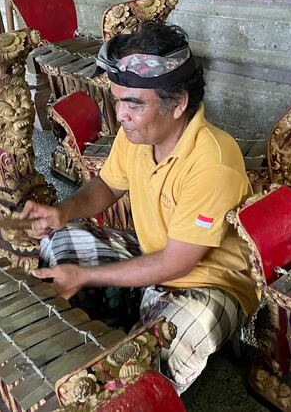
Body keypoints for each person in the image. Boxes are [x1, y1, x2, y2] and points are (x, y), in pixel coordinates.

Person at [22, 22, 259, 393]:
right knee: (59, 241)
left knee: (163, 348)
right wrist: (62, 213)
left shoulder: (213, 161)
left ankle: (135, 362)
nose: (120, 114)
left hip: (209, 284)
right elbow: (106, 185)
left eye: (133, 103)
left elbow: (177, 263)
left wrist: (86, 276)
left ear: (178, 103)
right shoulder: (136, 133)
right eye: (117, 99)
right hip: (154, 255)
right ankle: (119, 321)